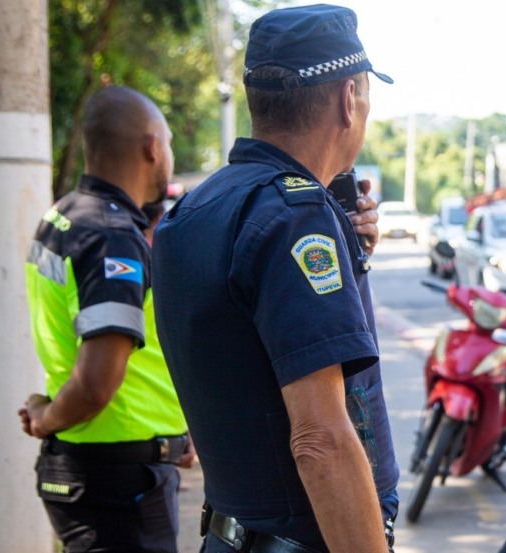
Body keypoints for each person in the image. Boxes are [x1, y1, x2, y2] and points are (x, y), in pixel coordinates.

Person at [151, 5, 396, 553]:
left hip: (229, 534)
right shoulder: (294, 216)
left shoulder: (197, 208)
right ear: (348, 99)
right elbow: (321, 441)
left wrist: (348, 253)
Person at [18, 85, 193, 553]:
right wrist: (45, 421)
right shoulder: (112, 237)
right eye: (170, 142)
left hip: (96, 475)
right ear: (152, 146)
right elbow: (98, 383)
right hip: (117, 485)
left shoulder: (62, 216)